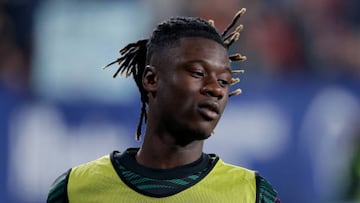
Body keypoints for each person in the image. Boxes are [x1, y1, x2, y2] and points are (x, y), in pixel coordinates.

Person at [47, 8, 280, 203]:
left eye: (224, 81)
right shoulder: (74, 190)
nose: (216, 89)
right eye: (198, 72)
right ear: (151, 79)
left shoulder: (253, 195)